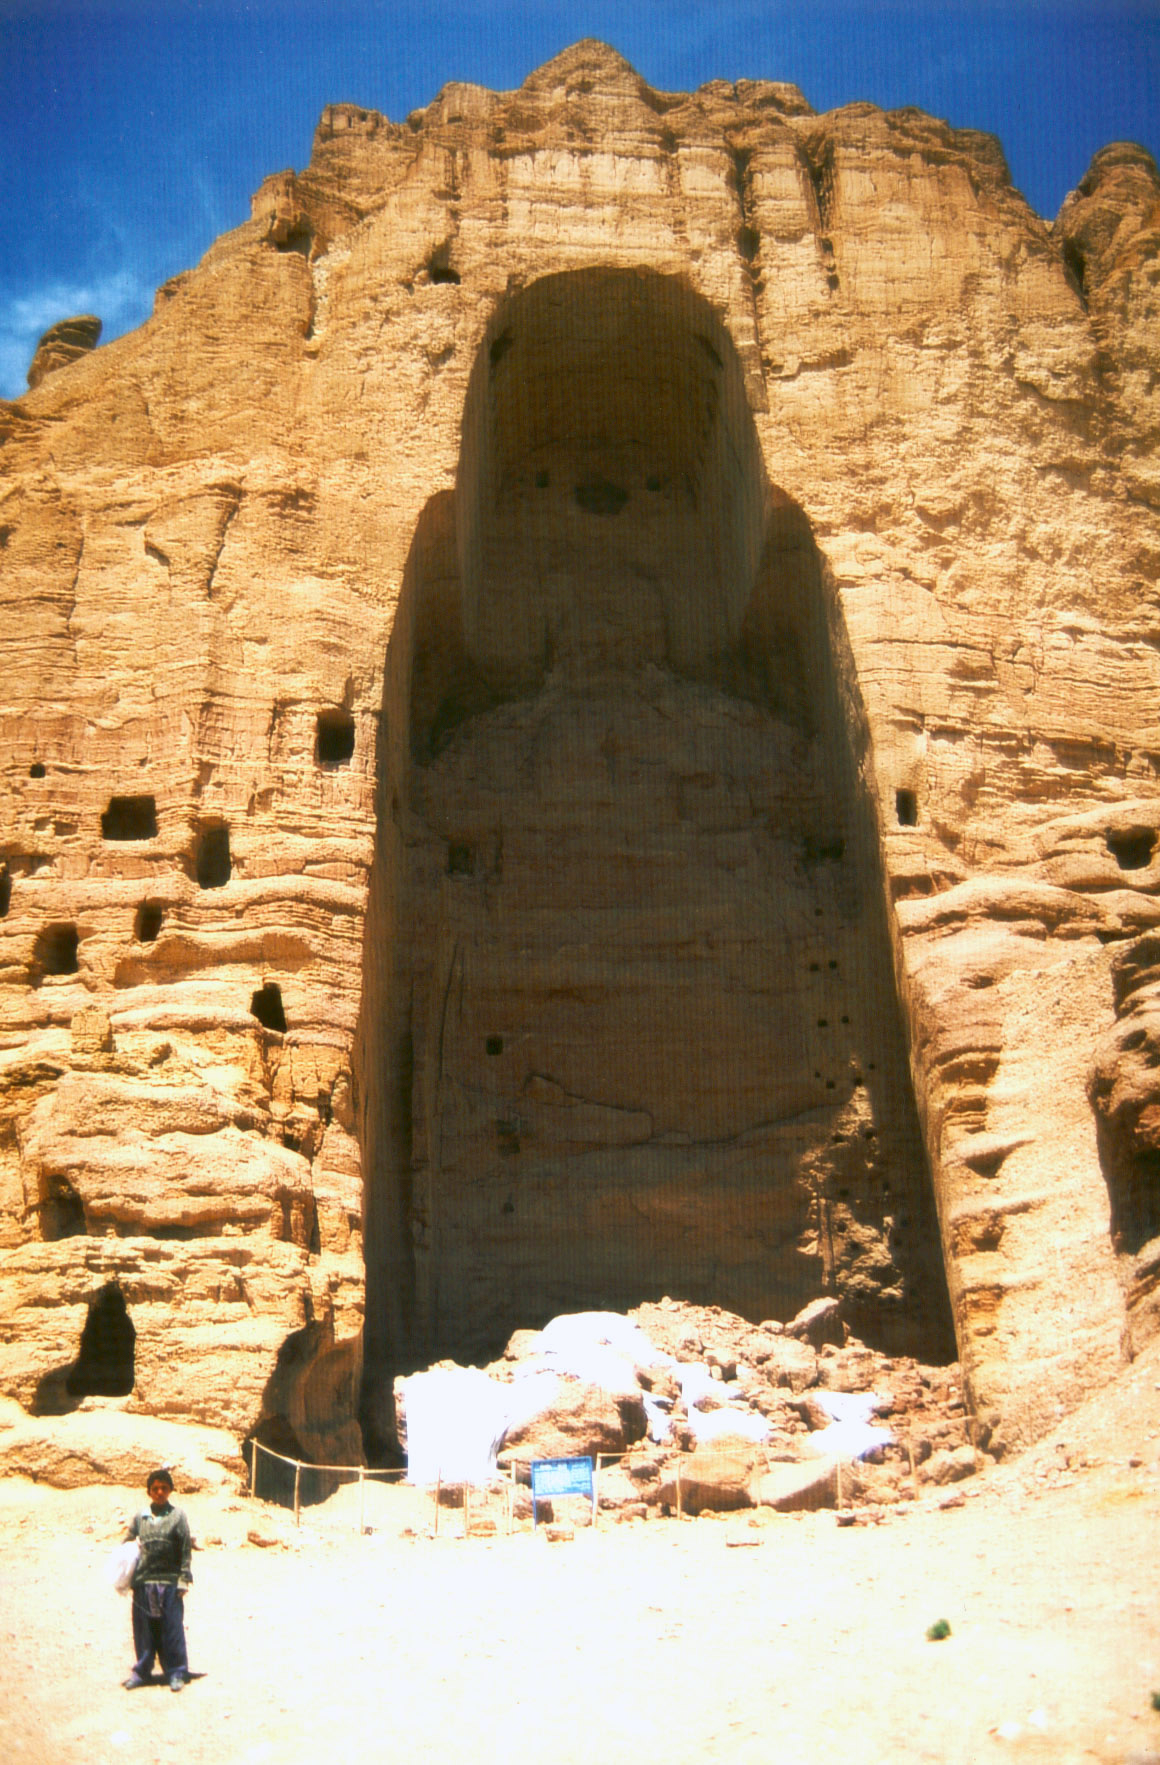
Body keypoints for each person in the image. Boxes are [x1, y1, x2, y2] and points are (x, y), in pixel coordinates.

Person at [122, 1468, 192, 1692]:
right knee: (144, 1629)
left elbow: (185, 1550)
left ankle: (176, 1672)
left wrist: (183, 1579)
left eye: (164, 1488)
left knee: (171, 1629)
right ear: (149, 1492)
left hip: (169, 1583)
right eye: (155, 1489)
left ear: (170, 1490)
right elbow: (127, 1544)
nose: (159, 1492)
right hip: (144, 1582)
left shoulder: (178, 1516)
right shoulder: (140, 1517)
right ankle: (142, 1672)